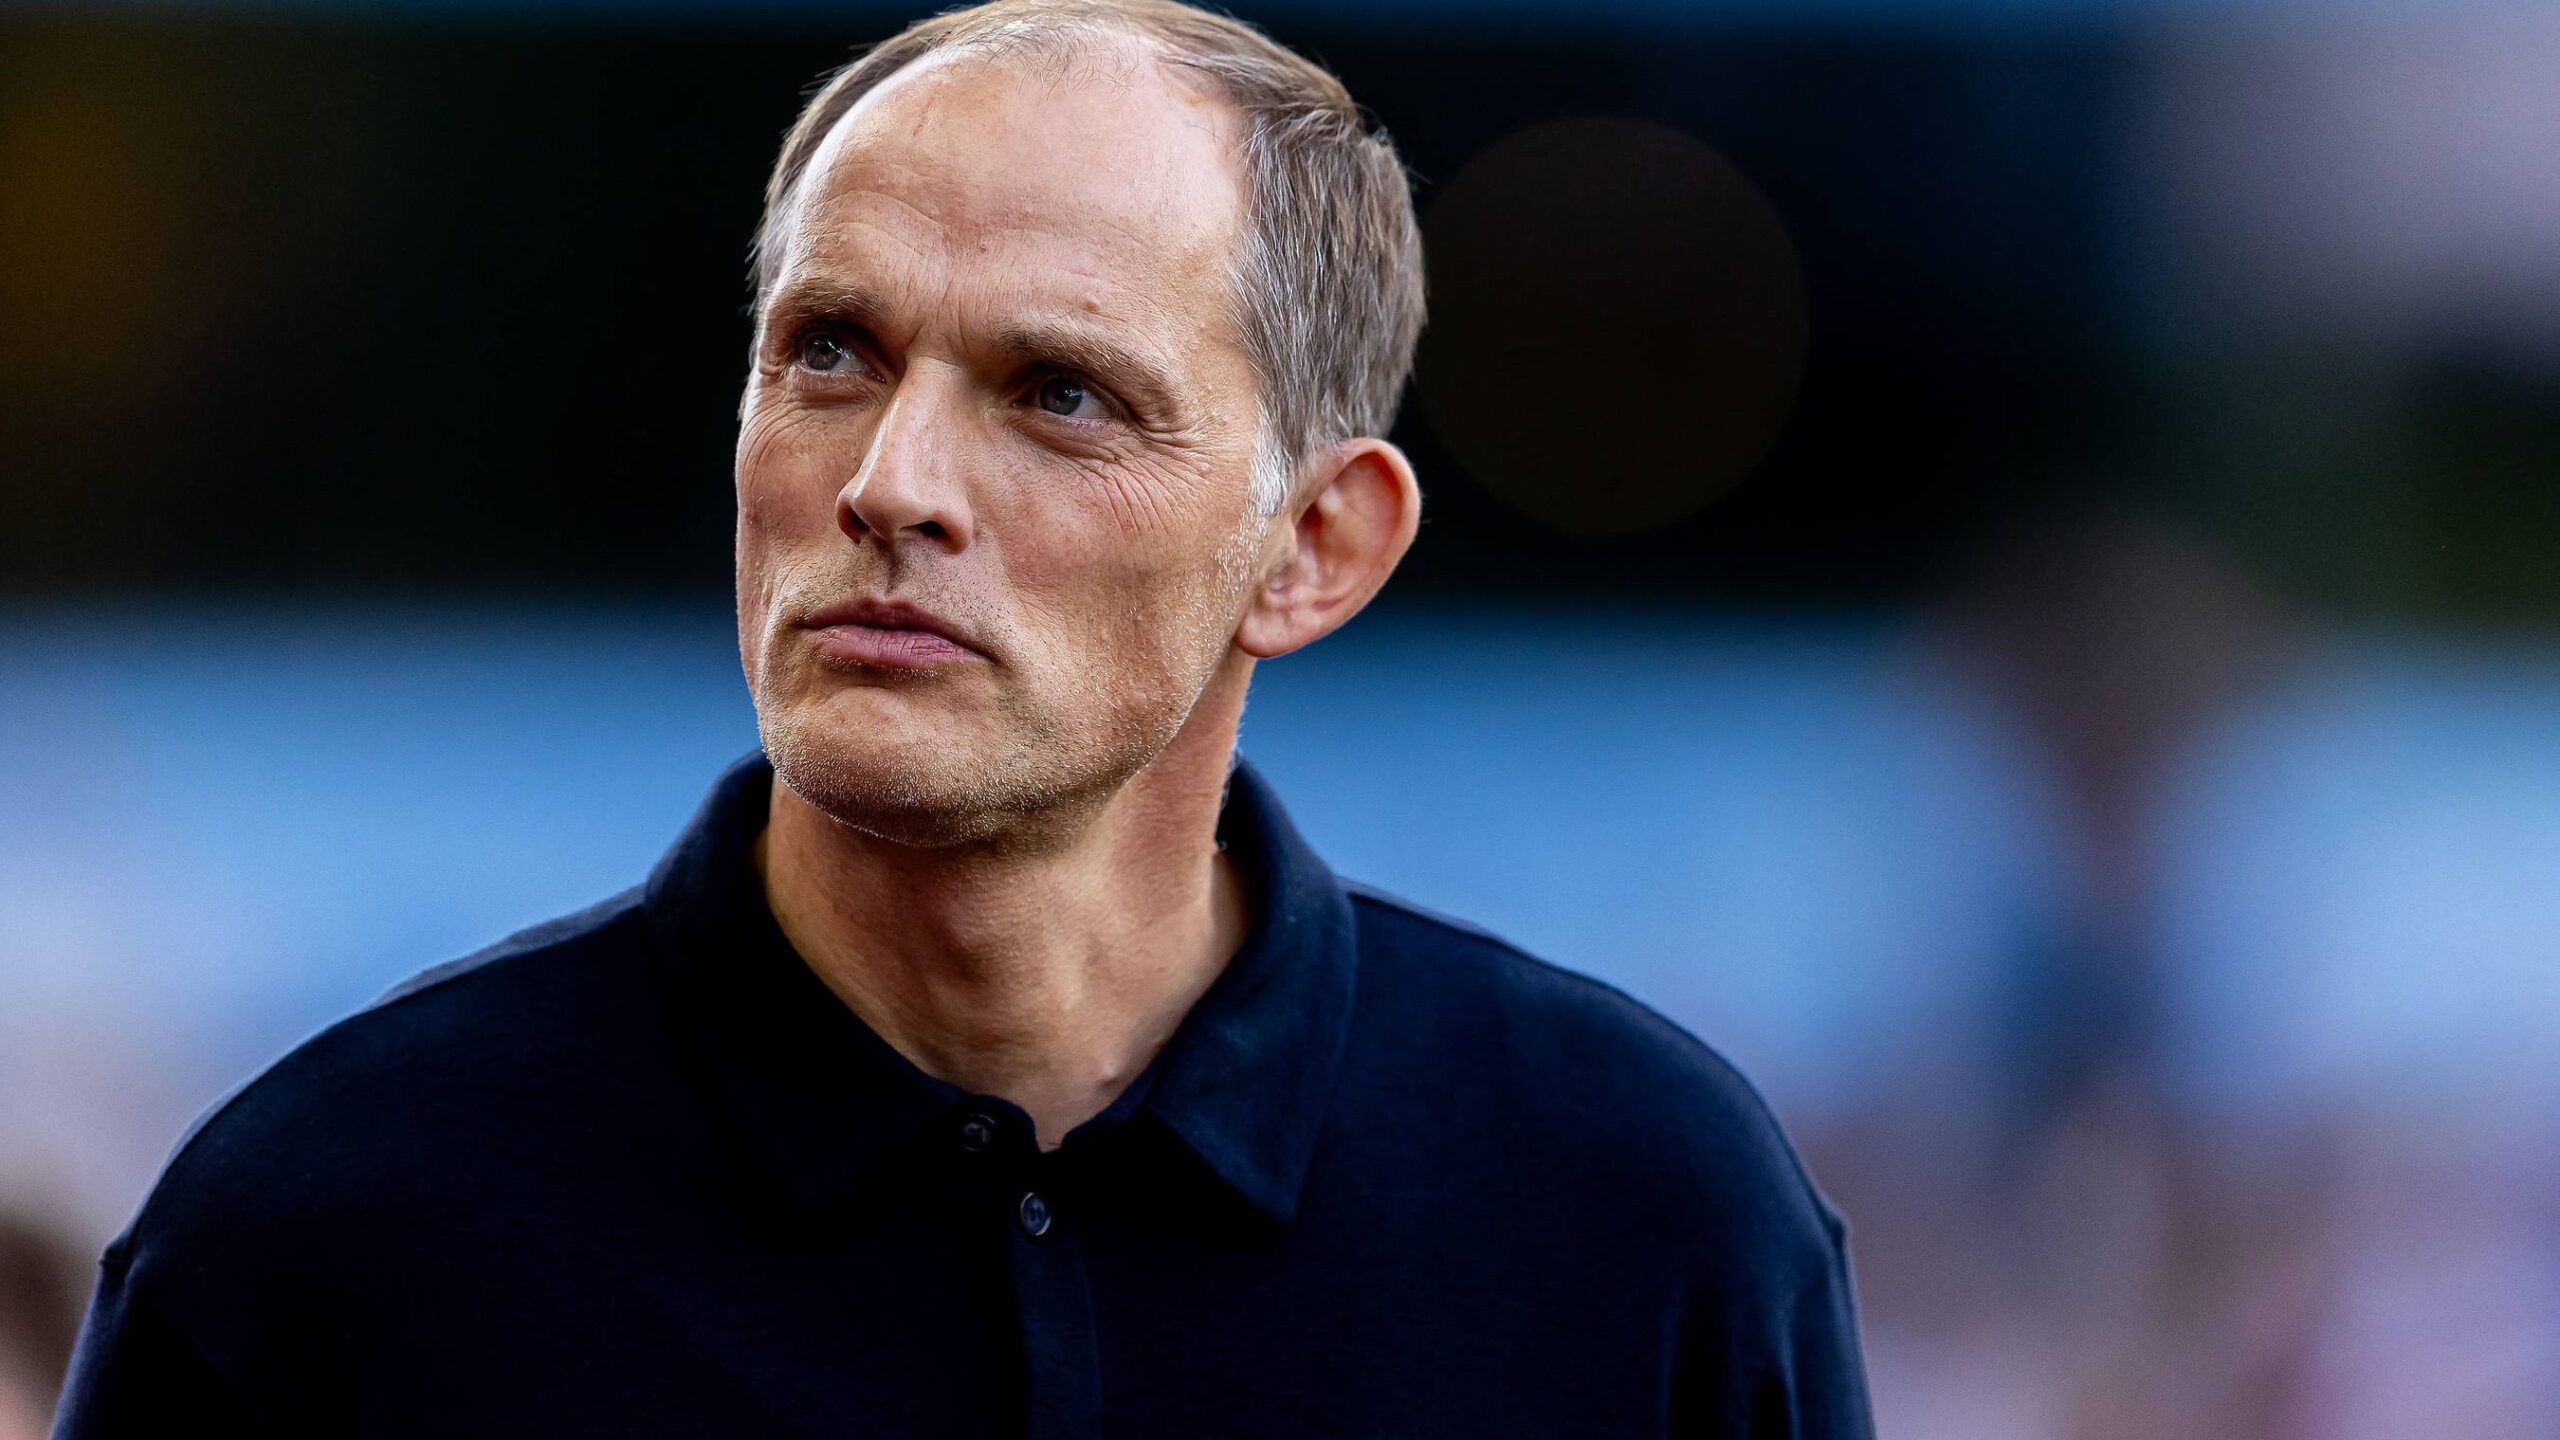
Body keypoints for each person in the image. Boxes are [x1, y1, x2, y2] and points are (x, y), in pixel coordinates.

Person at [53, 1, 1872, 1433]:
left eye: (1059, 392)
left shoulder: (1642, 1221)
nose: (893, 483)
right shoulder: (326, 1239)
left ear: (1314, 547)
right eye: (830, 352)